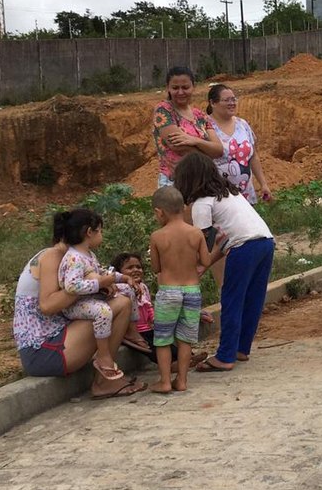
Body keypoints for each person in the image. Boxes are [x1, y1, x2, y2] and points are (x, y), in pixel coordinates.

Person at [12, 210, 146, 399]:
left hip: (58, 338)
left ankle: (105, 375)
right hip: (43, 349)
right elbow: (48, 305)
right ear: (88, 232)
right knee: (112, 308)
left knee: (122, 302)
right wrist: (95, 285)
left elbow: (91, 278)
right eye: (99, 231)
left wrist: (102, 284)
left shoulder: (76, 256)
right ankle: (104, 378)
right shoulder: (53, 256)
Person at [173, 152, 275, 371]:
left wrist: (190, 268)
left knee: (231, 301)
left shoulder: (201, 204)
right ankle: (241, 349)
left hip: (243, 248)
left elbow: (202, 242)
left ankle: (225, 356)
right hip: (265, 243)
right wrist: (206, 264)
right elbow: (224, 240)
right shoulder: (231, 194)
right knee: (252, 300)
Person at [148, 186, 217, 393]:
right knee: (185, 338)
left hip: (168, 291)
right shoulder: (195, 233)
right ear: (183, 207)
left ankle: (165, 381)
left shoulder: (157, 236)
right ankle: (182, 381)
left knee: (162, 339)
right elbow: (205, 260)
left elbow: (156, 268)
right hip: (192, 290)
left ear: (160, 212)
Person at [55, 209, 127, 380]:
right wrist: (99, 284)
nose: (101, 235)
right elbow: (71, 286)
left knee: (127, 292)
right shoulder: (74, 258)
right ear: (89, 232)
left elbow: (101, 272)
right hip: (74, 306)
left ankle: (131, 331)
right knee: (103, 311)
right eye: (100, 230)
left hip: (87, 299)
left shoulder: (88, 255)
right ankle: (103, 355)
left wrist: (123, 278)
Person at [111, 252, 208, 367]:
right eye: (130, 268)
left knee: (166, 342)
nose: (136, 270)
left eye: (138, 267)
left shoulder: (143, 287)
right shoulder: (119, 290)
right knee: (150, 348)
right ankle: (172, 365)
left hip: (147, 328)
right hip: (132, 333)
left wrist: (154, 319)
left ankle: (188, 357)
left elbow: (148, 307)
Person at [152, 67, 226, 188]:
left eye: (185, 87)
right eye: (175, 88)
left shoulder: (200, 116)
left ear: (193, 87)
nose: (180, 92)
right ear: (168, 88)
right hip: (176, 181)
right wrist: (207, 154)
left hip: (202, 180)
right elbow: (177, 146)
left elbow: (218, 150)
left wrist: (194, 140)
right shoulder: (164, 110)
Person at [207, 84, 272, 205]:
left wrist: (263, 184)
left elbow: (253, 157)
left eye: (233, 99)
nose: (232, 103)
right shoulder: (205, 126)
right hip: (218, 197)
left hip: (246, 196)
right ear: (213, 103)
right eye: (226, 100)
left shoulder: (242, 124)